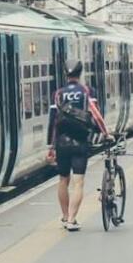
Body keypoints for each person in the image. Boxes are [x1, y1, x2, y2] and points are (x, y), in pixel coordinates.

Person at [47, 63, 109, 231]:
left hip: (61, 143)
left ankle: (65, 216)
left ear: (66, 74)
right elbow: (96, 115)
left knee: (62, 180)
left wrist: (51, 147)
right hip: (80, 142)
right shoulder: (87, 92)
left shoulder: (58, 94)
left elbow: (53, 121)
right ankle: (72, 219)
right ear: (81, 74)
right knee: (78, 182)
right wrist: (106, 133)